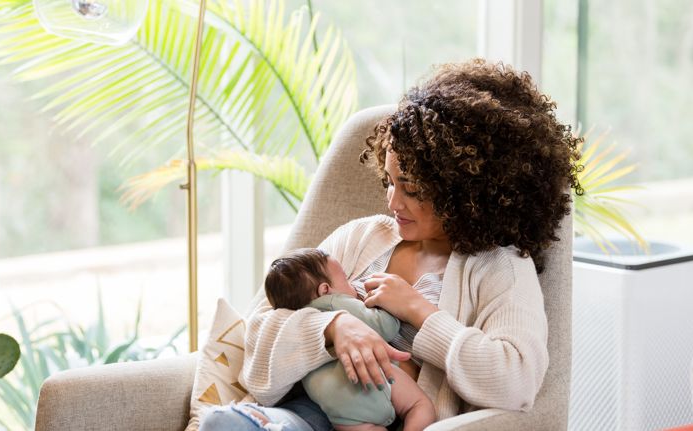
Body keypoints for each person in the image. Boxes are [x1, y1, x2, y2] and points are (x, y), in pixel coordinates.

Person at [199, 58, 581, 431]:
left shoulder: (501, 267)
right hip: (304, 413)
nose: (393, 203)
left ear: (465, 191)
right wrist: (333, 327)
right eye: (389, 181)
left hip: (398, 418)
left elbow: (516, 382)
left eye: (411, 189)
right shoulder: (361, 237)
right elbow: (258, 329)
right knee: (223, 423)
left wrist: (419, 311)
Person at [263, 247, 436, 431]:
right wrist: (388, 306)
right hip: (371, 380)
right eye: (346, 279)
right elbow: (385, 327)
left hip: (336, 407)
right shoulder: (335, 302)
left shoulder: (294, 318)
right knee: (419, 406)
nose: (353, 285)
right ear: (325, 290)